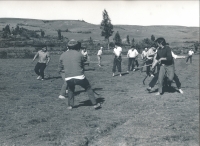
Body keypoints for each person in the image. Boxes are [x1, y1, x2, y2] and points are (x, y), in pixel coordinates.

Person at [58, 39, 101, 110]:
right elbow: (83, 62)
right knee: (88, 88)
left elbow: (59, 68)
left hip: (68, 77)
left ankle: (70, 106)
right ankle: (95, 104)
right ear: (76, 46)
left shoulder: (63, 55)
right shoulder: (79, 54)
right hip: (80, 76)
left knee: (70, 90)